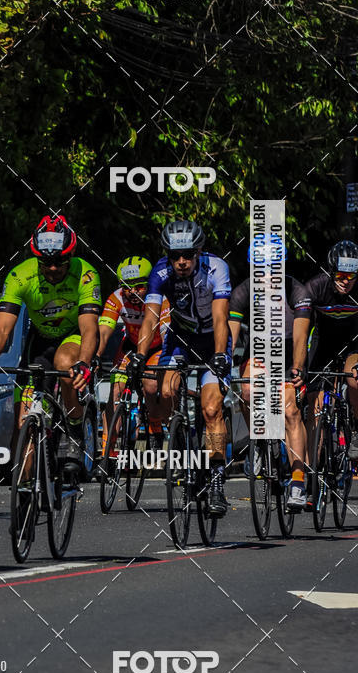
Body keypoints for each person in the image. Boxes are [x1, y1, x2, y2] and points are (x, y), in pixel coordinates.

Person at [0, 215, 101, 472]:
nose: (53, 268)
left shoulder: (86, 274)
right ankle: (27, 492)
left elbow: (90, 328)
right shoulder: (20, 275)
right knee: (25, 419)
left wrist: (84, 362)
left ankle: (75, 423)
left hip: (73, 335)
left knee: (66, 364)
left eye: (60, 262)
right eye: (46, 262)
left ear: (71, 254)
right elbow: (1, 327)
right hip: (40, 341)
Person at [131, 219, 232, 516]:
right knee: (166, 390)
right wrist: (139, 354)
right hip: (181, 340)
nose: (182, 262)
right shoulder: (160, 272)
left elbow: (220, 318)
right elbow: (150, 318)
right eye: (175, 256)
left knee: (212, 409)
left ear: (198, 251)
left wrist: (219, 355)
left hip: (213, 340)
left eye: (187, 254)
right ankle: (184, 444)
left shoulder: (217, 268)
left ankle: (215, 481)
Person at [228, 236, 311, 508]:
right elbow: (230, 335)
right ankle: (259, 439)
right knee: (248, 390)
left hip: (290, 355)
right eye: (260, 270)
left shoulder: (297, 291)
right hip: (260, 354)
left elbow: (300, 338)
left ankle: (298, 480)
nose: (266, 277)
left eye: (273, 269)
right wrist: (224, 362)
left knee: (290, 411)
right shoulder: (243, 291)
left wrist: (297, 368)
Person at [97, 256, 169, 451]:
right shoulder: (117, 297)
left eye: (138, 287)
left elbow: (165, 333)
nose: (132, 292)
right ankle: (108, 450)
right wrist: (97, 354)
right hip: (130, 345)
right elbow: (105, 329)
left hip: (156, 347)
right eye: (127, 287)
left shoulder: (160, 298)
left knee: (151, 387)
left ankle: (154, 425)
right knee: (115, 393)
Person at [305, 240, 358, 464]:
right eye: (340, 276)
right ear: (330, 270)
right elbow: (300, 324)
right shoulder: (316, 287)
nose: (345, 282)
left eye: (351, 276)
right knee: (314, 410)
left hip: (353, 343)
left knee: (355, 380)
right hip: (323, 343)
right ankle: (311, 474)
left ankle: (355, 427)